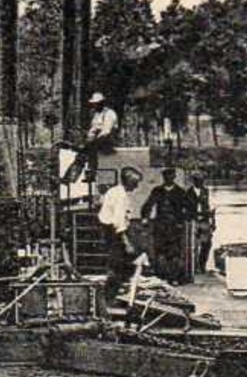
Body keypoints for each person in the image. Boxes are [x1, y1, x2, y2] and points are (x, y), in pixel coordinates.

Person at [138, 167, 199, 283]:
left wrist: (183, 221)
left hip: (175, 226)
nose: (169, 178)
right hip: (160, 225)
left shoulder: (180, 192)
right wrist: (145, 218)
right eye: (166, 176)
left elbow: (191, 208)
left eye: (171, 176)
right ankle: (161, 276)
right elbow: (148, 205)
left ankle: (174, 277)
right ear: (164, 177)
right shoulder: (157, 191)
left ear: (174, 177)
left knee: (174, 252)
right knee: (159, 250)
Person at [98, 167, 145, 297]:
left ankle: (118, 290)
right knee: (117, 265)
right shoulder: (120, 195)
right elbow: (118, 222)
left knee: (123, 263)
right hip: (114, 233)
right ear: (128, 181)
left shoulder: (115, 191)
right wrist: (126, 243)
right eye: (135, 183)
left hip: (112, 230)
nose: (136, 187)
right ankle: (110, 295)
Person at [61, 92, 119, 184]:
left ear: (102, 103)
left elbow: (106, 131)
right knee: (82, 153)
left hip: (107, 139)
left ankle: (85, 175)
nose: (94, 106)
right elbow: (93, 129)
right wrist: (88, 138)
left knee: (89, 150)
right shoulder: (96, 114)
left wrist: (93, 141)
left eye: (97, 103)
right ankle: (70, 177)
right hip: (97, 140)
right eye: (94, 104)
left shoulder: (109, 113)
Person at [188, 172, 216, 272]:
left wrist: (213, 222)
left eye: (201, 180)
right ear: (194, 181)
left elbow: (213, 209)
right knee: (193, 244)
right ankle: (194, 266)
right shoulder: (188, 193)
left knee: (207, 244)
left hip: (205, 220)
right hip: (193, 220)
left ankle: (202, 265)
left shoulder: (206, 192)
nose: (200, 182)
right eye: (197, 180)